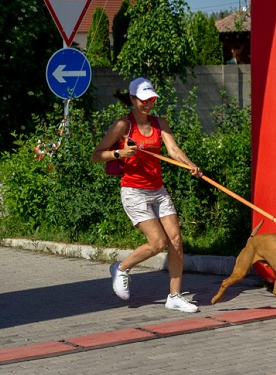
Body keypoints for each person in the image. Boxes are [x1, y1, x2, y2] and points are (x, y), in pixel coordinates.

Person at [91, 77, 202, 313]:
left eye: (151, 99)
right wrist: (121, 153)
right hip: (133, 191)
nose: (148, 104)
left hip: (158, 190)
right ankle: (121, 268)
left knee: (176, 242)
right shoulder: (123, 125)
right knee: (158, 243)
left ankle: (174, 296)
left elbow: (173, 149)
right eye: (143, 100)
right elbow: (97, 154)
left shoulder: (159, 123)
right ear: (133, 99)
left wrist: (190, 164)